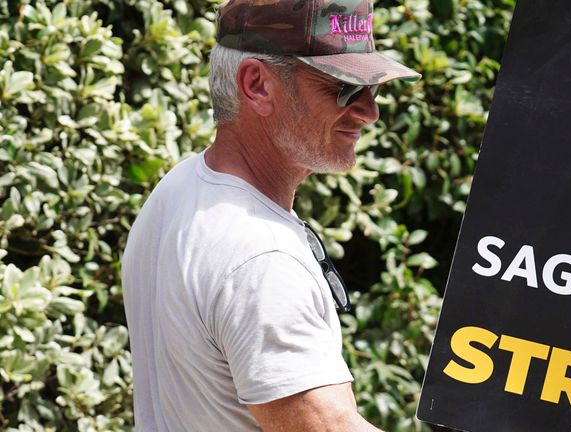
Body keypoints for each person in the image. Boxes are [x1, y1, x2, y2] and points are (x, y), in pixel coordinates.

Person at [121, 0, 420, 430]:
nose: (369, 112)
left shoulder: (181, 188)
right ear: (257, 85)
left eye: (373, 88)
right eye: (345, 88)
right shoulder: (261, 258)